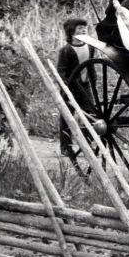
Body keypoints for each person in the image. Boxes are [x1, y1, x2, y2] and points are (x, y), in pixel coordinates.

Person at [56, 18, 96, 161]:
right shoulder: (66, 50)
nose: (83, 30)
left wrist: (93, 83)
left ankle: (88, 144)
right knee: (67, 117)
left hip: (85, 87)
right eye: (79, 28)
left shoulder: (90, 47)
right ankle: (66, 147)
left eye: (84, 27)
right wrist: (64, 88)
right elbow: (61, 71)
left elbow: (91, 66)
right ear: (71, 31)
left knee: (90, 115)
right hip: (71, 88)